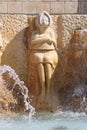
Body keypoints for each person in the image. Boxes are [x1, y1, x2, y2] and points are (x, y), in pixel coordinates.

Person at [29, 11, 58, 105]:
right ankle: (42, 89)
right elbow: (33, 42)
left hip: (51, 52)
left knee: (47, 60)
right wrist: (45, 39)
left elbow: (54, 42)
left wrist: (45, 40)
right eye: (41, 26)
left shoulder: (51, 32)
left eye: (45, 26)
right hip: (36, 53)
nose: (43, 28)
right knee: (39, 60)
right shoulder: (34, 32)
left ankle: (48, 90)